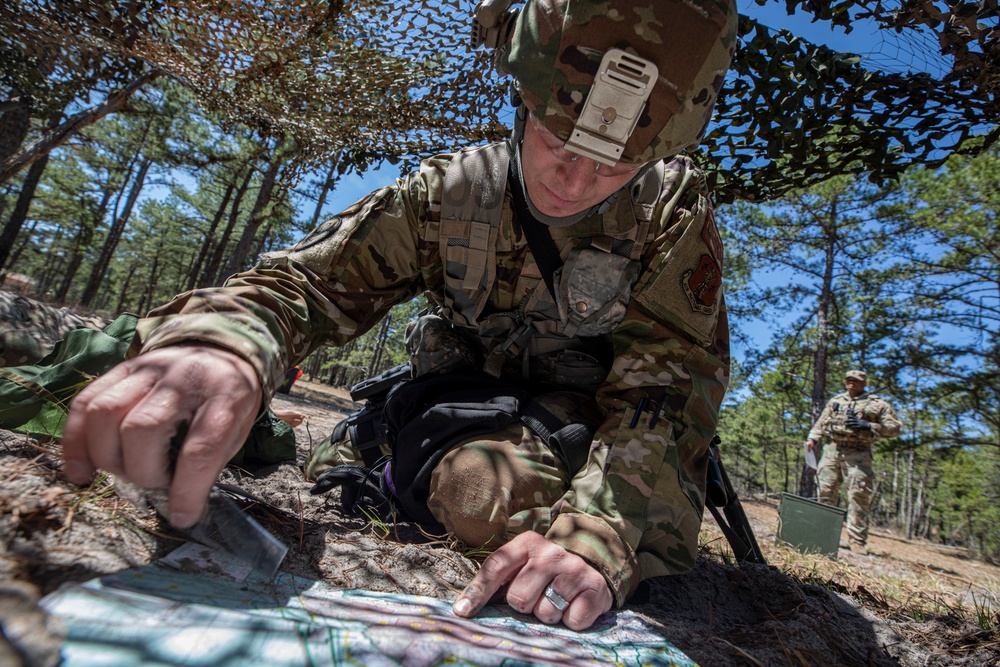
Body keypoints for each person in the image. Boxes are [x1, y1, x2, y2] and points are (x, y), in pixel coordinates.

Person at [61, 0, 738, 631]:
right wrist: (227, 345)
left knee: (482, 491)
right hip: (465, 399)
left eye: (612, 164)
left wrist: (595, 532)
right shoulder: (452, 194)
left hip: (589, 434)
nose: (574, 179)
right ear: (522, 99)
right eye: (557, 139)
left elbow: (666, 395)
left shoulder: (667, 216)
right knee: (329, 449)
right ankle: (379, 443)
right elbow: (304, 283)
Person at [804, 370, 902, 551]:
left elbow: (894, 429)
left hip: (859, 453)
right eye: (848, 380)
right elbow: (821, 422)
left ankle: (857, 541)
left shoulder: (877, 404)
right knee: (825, 491)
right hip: (833, 450)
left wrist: (869, 426)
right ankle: (822, 536)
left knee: (858, 495)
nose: (851, 383)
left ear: (863, 383)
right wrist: (812, 439)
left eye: (855, 381)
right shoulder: (836, 401)